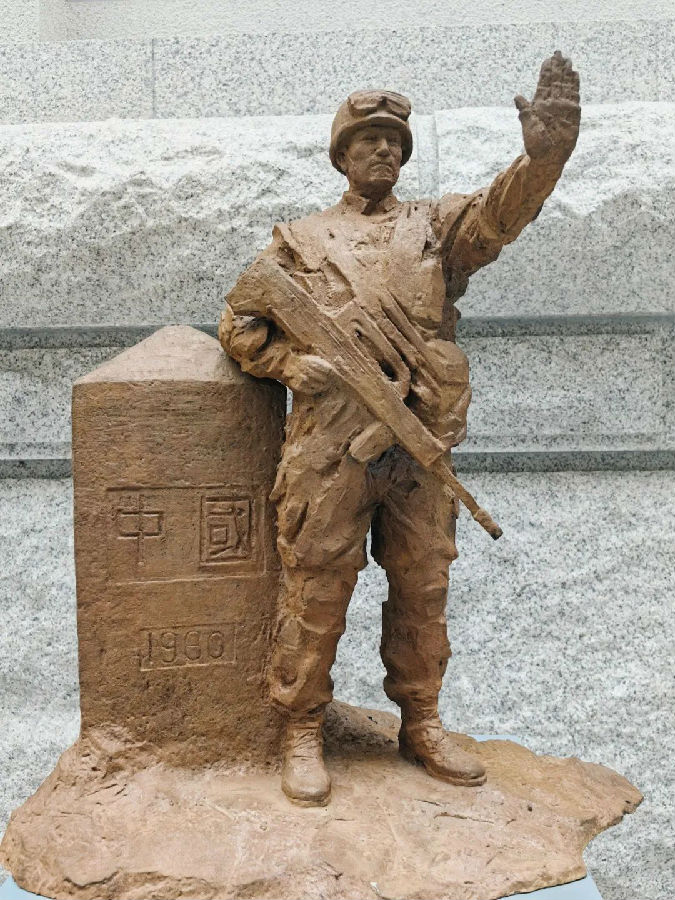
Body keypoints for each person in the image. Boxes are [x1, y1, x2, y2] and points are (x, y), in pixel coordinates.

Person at [219, 52, 580, 806]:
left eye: (394, 142)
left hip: (418, 442)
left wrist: (543, 160)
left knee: (423, 583)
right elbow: (241, 325)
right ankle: (301, 726)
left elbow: (499, 214)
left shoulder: (435, 228)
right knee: (317, 586)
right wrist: (291, 365)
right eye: (368, 140)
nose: (383, 150)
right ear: (341, 155)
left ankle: (421, 721)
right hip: (330, 446)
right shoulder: (299, 241)